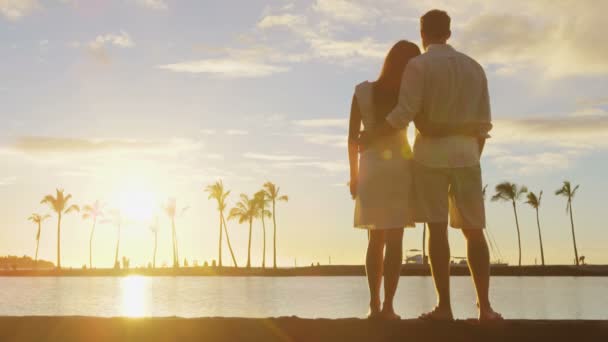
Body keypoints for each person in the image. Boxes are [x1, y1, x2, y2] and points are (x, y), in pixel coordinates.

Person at [359, 9, 502, 321]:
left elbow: (403, 115)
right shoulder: (475, 68)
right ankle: (486, 308)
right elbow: (484, 125)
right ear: (448, 33)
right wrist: (472, 153)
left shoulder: (418, 65)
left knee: (437, 230)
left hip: (429, 158)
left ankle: (445, 308)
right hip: (467, 155)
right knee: (474, 231)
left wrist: (371, 135)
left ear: (422, 33)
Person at [348, 40, 421, 320]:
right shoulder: (409, 94)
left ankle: (374, 305)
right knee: (396, 238)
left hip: (371, 168)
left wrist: (353, 175)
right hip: (399, 167)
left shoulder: (362, 91)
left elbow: (352, 139)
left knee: (374, 239)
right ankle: (389, 306)